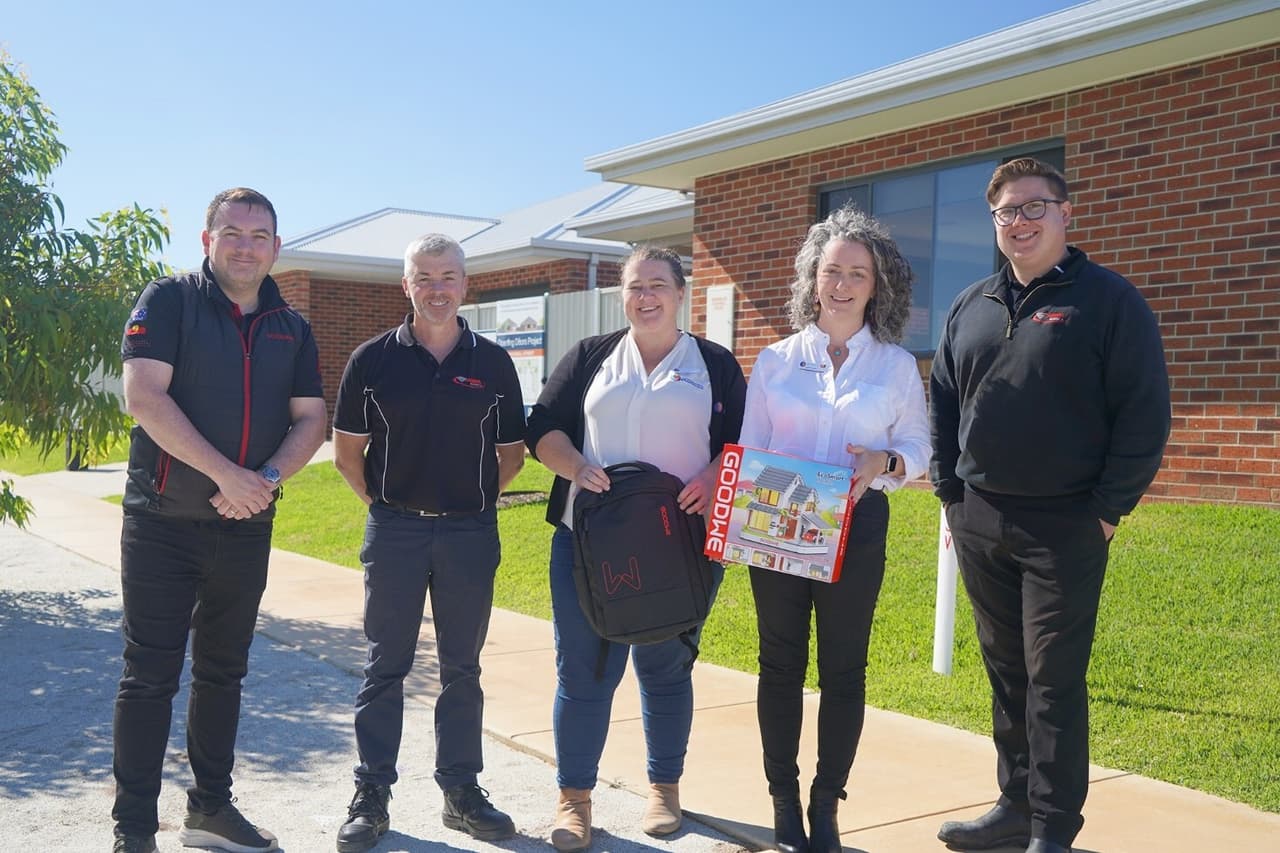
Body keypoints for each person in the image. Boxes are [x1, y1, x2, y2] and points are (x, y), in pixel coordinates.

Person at [929, 158, 1170, 853]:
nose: (1021, 220)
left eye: (1036, 206)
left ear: (1067, 213)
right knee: (1006, 671)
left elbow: (1144, 413)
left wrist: (1105, 510)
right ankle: (1014, 804)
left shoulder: (1109, 302)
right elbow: (942, 399)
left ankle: (1054, 828)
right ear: (994, 223)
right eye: (1007, 211)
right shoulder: (971, 304)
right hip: (979, 518)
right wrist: (950, 492)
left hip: (1065, 525)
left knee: (1053, 678)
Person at [112, 188, 328, 853]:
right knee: (149, 675)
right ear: (207, 240)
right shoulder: (169, 299)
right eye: (231, 232)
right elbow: (143, 395)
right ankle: (135, 831)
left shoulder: (291, 327)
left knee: (223, 671)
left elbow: (312, 418)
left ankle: (209, 808)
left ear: (276, 248)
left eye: (259, 235)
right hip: (162, 523)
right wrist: (225, 476)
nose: (244, 245)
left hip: (245, 525)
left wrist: (261, 482)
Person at [525, 245, 746, 852]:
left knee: (666, 668)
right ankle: (574, 802)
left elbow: (741, 444)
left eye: (657, 285)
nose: (645, 296)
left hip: (679, 547)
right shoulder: (592, 356)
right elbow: (541, 426)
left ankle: (664, 789)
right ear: (620, 296)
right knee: (584, 672)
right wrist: (573, 465)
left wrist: (711, 475)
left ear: (681, 293)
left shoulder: (713, 364)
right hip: (589, 545)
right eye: (633, 286)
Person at [738, 206, 929, 853]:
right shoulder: (775, 359)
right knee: (779, 665)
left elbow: (918, 449)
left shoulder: (896, 367)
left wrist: (885, 462)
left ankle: (826, 805)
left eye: (858, 273)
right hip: (781, 520)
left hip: (857, 523)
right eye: (832, 271)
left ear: (878, 285)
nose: (843, 284)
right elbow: (749, 447)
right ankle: (783, 801)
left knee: (844, 670)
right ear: (812, 279)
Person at [330, 233, 526, 853]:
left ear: (466, 285)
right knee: (385, 665)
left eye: (448, 276)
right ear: (406, 285)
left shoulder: (493, 363)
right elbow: (346, 454)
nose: (437, 288)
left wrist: (469, 505)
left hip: (470, 532)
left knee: (462, 668)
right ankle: (372, 795)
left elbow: (512, 456)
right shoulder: (372, 360)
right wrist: (388, 511)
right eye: (424, 276)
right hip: (395, 531)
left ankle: (461, 792)